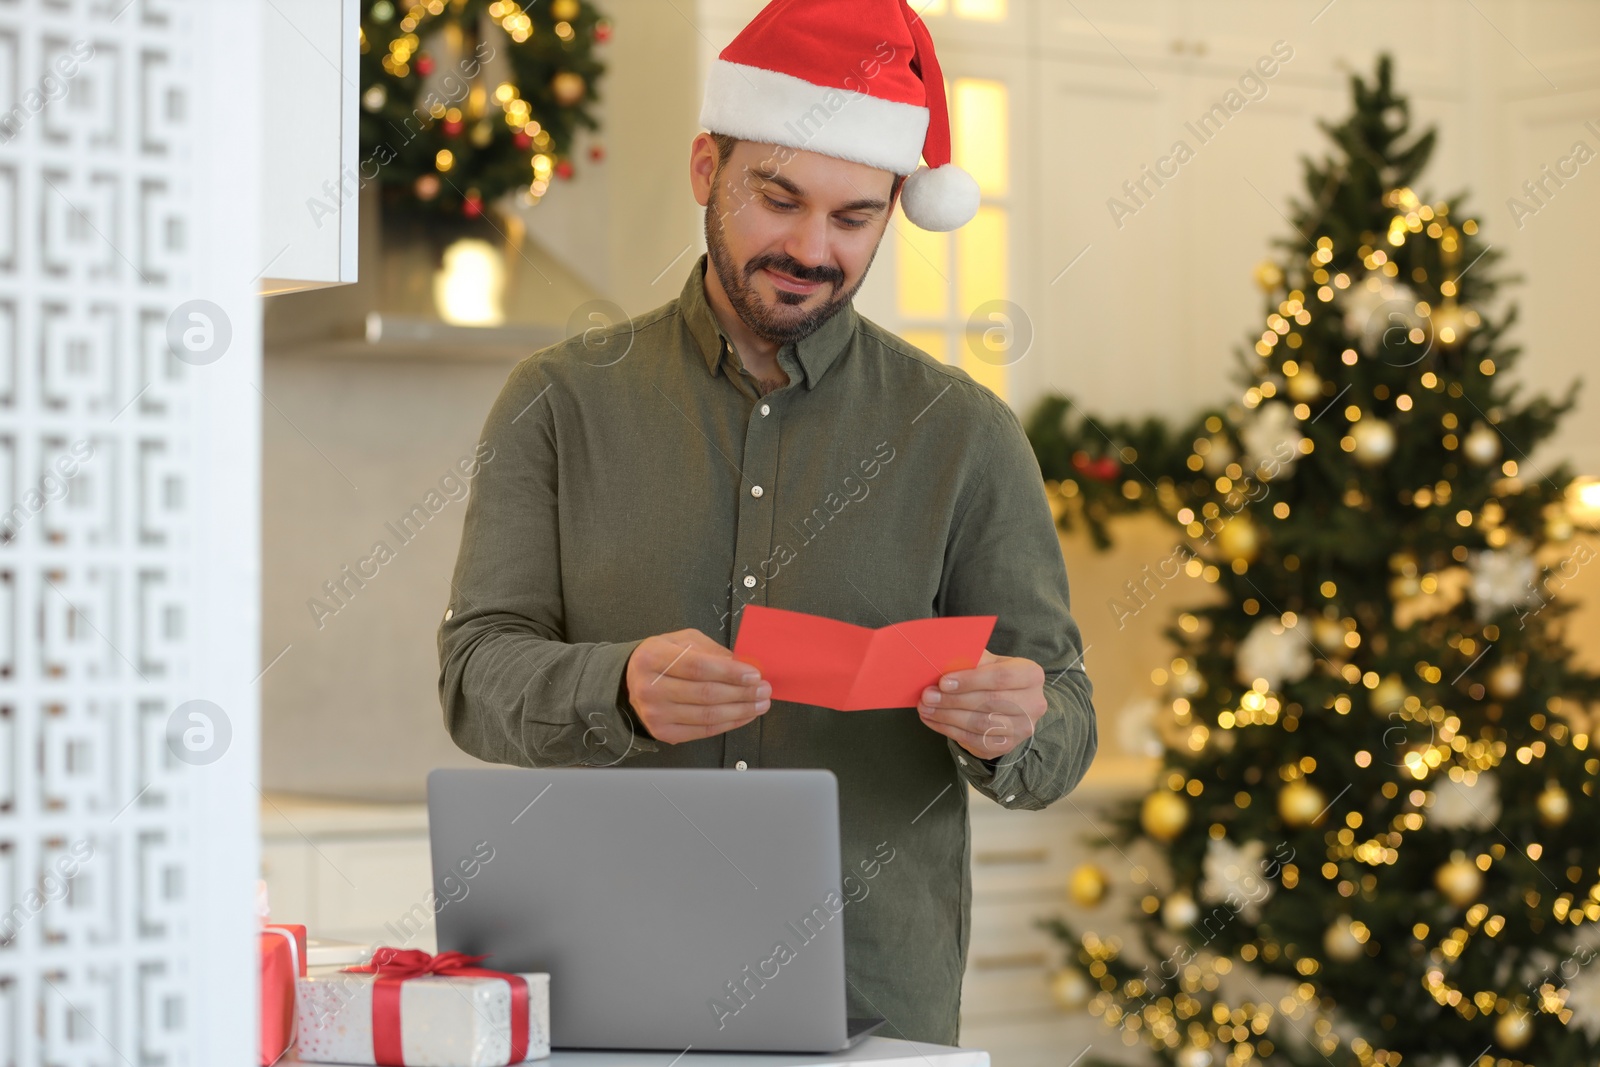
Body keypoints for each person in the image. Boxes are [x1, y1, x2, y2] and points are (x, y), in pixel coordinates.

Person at [437, 0, 1098, 1045]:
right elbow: (474, 677)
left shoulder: (965, 435)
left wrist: (1019, 726)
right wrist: (614, 686)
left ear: (893, 209)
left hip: (873, 1002)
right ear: (707, 168)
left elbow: (1061, 711)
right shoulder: (559, 400)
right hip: (607, 981)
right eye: (777, 197)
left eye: (852, 218)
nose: (809, 247)